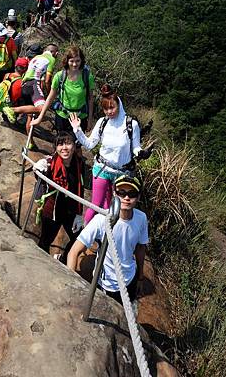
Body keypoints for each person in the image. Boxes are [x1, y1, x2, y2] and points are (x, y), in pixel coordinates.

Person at [69, 84, 152, 224]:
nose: (109, 111)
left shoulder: (131, 124)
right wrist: (77, 130)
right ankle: (85, 237)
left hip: (122, 173)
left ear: (119, 104)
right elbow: (90, 144)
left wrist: (141, 153)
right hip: (102, 169)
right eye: (105, 108)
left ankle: (107, 238)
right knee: (95, 205)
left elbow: (135, 147)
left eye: (112, 107)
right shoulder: (103, 122)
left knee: (115, 209)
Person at [67, 174, 148, 306]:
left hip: (129, 279)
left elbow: (140, 248)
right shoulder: (101, 219)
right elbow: (73, 252)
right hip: (106, 283)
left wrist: (140, 277)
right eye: (122, 193)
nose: (126, 198)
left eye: (132, 193)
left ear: (138, 197)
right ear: (115, 194)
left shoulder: (141, 218)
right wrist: (70, 283)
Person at [33, 131, 85, 263]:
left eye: (68, 143)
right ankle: (40, 264)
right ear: (55, 148)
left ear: (74, 146)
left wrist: (79, 214)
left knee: (79, 238)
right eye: (60, 144)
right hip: (53, 211)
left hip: (70, 211)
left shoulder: (78, 164)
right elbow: (41, 176)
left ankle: (62, 260)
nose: (64, 148)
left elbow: (80, 188)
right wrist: (38, 169)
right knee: (45, 240)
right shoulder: (50, 163)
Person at [3, 44, 59, 149]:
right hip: (34, 84)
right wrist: (50, 95)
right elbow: (47, 80)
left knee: (30, 114)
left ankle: (30, 142)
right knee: (42, 109)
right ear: (55, 53)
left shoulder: (36, 57)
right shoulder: (51, 59)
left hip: (24, 85)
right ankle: (13, 110)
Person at [30, 45, 94, 134]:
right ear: (67, 61)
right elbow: (50, 98)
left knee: (77, 146)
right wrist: (40, 117)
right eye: (71, 61)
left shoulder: (87, 77)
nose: (75, 64)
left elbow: (90, 99)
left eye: (77, 61)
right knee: (62, 145)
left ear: (81, 61)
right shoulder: (59, 76)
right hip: (63, 116)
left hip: (80, 117)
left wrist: (90, 120)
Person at [0, 22, 18, 88]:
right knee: (7, 84)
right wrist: (15, 64)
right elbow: (14, 54)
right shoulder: (11, 40)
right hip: (7, 66)